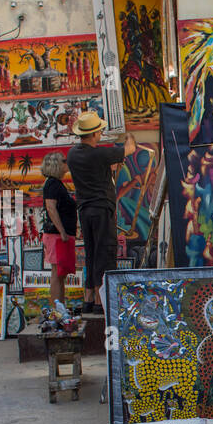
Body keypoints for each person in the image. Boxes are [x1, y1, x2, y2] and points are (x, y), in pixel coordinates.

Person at [67, 110, 133, 313]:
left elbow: (97, 168)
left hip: (85, 209)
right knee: (104, 252)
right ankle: (99, 301)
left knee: (91, 252)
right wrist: (126, 134)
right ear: (95, 133)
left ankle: (88, 298)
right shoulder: (99, 154)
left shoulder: (73, 154)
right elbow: (130, 148)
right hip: (102, 209)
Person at [40, 151, 77, 307]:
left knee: (61, 274)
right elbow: (51, 207)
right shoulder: (52, 184)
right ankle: (56, 307)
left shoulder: (56, 184)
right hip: (56, 235)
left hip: (62, 233)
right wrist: (61, 231)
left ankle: (60, 306)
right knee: (56, 273)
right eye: (63, 161)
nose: (66, 163)